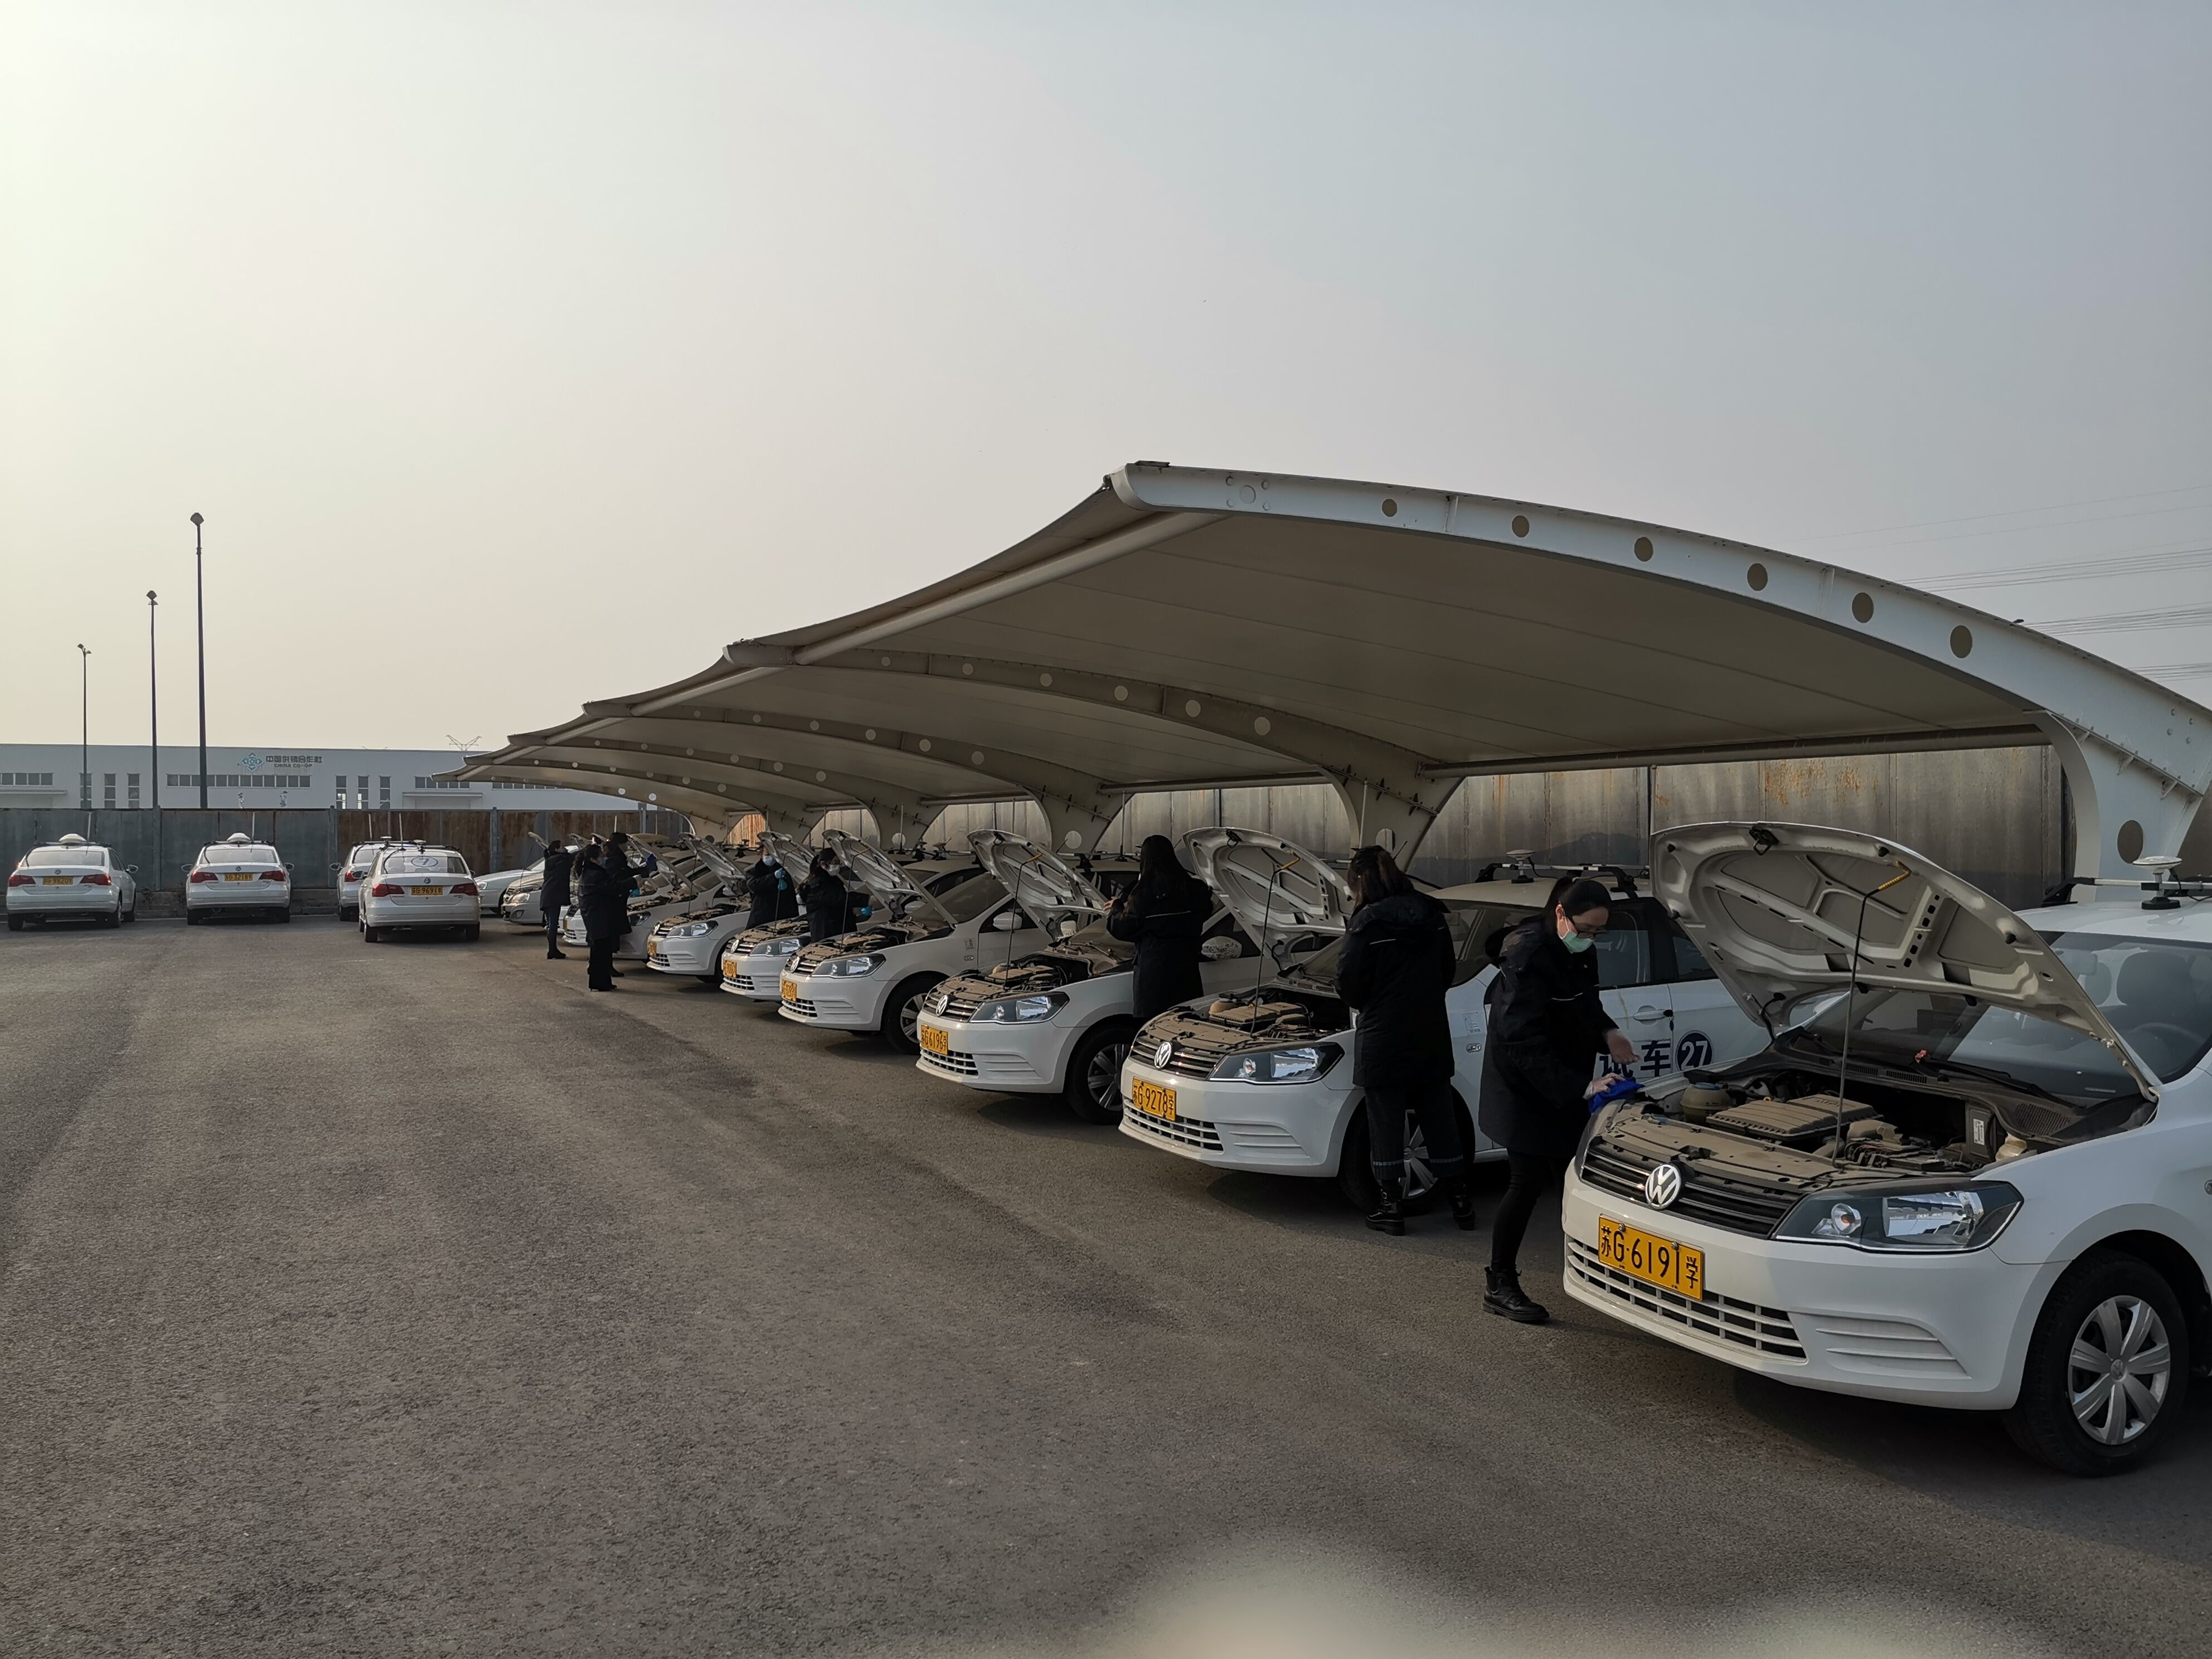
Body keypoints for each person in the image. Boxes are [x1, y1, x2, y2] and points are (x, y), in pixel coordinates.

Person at [1478, 876, 1640, 1322]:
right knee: (1526, 1182)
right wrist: (1580, 1087)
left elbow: (1586, 1003)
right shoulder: (1527, 957)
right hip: (1525, 1087)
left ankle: (1591, 1271)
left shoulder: (1579, 951)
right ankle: (1500, 1283)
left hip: (1566, 1081)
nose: (1591, 939)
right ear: (1561, 915)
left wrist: (1608, 1032)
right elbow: (1521, 1038)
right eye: (1586, 929)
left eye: (1599, 933)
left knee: (1575, 1178)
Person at [1336, 843, 1472, 1236]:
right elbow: (1447, 970)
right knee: (1439, 1117)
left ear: (1360, 883)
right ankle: (1461, 1203)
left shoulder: (1366, 924)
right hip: (1430, 1031)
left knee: (1386, 1122)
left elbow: (1348, 983)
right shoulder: (1432, 915)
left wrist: (1373, 1002)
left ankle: (1391, 1207)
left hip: (1383, 1035)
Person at [1106, 835, 1210, 1022]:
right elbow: (1207, 910)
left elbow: (1123, 928)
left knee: (1154, 1030)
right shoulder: (1193, 889)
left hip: (1153, 978)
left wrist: (1117, 907)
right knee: (1186, 1026)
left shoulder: (1142, 894)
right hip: (1187, 973)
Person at [575, 845, 625, 991]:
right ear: (593, 859)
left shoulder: (586, 873)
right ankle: (601, 983)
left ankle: (600, 982)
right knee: (602, 953)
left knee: (598, 951)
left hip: (593, 917)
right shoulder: (596, 875)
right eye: (601, 856)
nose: (603, 858)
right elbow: (611, 889)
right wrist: (632, 883)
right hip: (600, 917)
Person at [801, 848, 857, 942]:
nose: (838, 866)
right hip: (827, 934)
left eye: (839, 863)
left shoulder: (831, 879)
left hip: (833, 931)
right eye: (835, 862)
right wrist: (867, 900)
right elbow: (838, 898)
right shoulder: (819, 884)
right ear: (824, 864)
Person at [744, 849, 798, 930]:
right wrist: (773, 877)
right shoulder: (753, 872)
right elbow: (754, 885)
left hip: (784, 915)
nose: (771, 857)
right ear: (761, 855)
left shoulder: (784, 870)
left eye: (772, 855)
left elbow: (790, 893)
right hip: (762, 915)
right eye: (767, 855)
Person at [540, 839, 575, 960]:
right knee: (553, 924)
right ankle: (552, 950)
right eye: (562, 847)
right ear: (557, 850)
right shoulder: (560, 860)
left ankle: (552, 950)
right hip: (553, 897)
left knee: (551, 924)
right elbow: (571, 858)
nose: (564, 848)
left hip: (548, 896)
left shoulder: (551, 860)